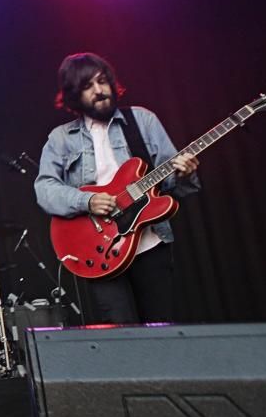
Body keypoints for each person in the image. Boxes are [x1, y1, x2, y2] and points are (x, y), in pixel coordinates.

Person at [34, 52, 199, 324]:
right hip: (101, 251)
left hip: (149, 243)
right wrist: (87, 201)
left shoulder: (142, 120)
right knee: (121, 335)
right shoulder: (62, 138)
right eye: (88, 86)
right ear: (74, 95)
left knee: (162, 330)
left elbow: (171, 187)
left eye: (102, 81)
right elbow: (44, 189)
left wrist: (183, 174)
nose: (99, 91)